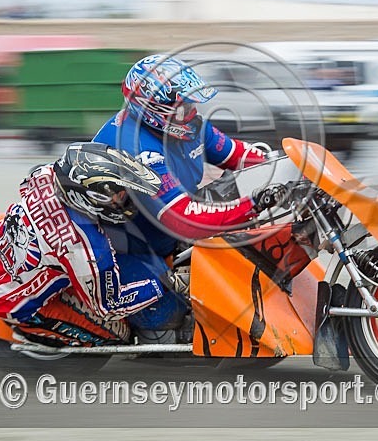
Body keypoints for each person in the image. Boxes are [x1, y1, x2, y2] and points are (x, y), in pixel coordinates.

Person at [92, 54, 288, 337]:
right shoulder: (135, 149)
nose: (191, 111)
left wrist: (285, 167)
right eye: (182, 105)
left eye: (191, 103)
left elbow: (237, 154)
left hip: (165, 234)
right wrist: (253, 205)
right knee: (169, 315)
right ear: (152, 109)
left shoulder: (191, 126)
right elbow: (183, 218)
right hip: (125, 248)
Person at [0, 142, 169, 347]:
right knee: (119, 334)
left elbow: (26, 186)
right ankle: (31, 332)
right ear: (88, 198)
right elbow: (110, 307)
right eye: (119, 195)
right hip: (11, 300)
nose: (125, 199)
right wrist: (164, 283)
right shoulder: (85, 247)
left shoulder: (46, 174)